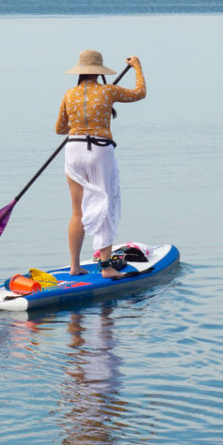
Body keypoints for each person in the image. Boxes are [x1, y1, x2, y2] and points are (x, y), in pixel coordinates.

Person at [55, 50, 146, 278]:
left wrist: (80, 126)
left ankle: (75, 267)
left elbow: (60, 129)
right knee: (105, 203)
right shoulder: (108, 91)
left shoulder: (69, 94)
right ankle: (106, 268)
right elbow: (140, 93)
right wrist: (137, 67)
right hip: (99, 149)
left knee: (77, 212)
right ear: (99, 72)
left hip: (73, 149)